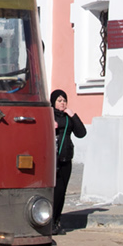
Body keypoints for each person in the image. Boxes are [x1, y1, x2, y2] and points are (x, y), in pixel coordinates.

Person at [50, 89, 86, 234]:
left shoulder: (68, 117)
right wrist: (50, 126)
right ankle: (50, 222)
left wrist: (73, 115)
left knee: (62, 191)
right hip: (54, 159)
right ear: (53, 102)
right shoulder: (48, 115)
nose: (62, 103)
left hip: (66, 158)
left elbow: (81, 133)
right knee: (56, 191)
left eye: (64, 100)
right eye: (59, 101)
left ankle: (57, 221)